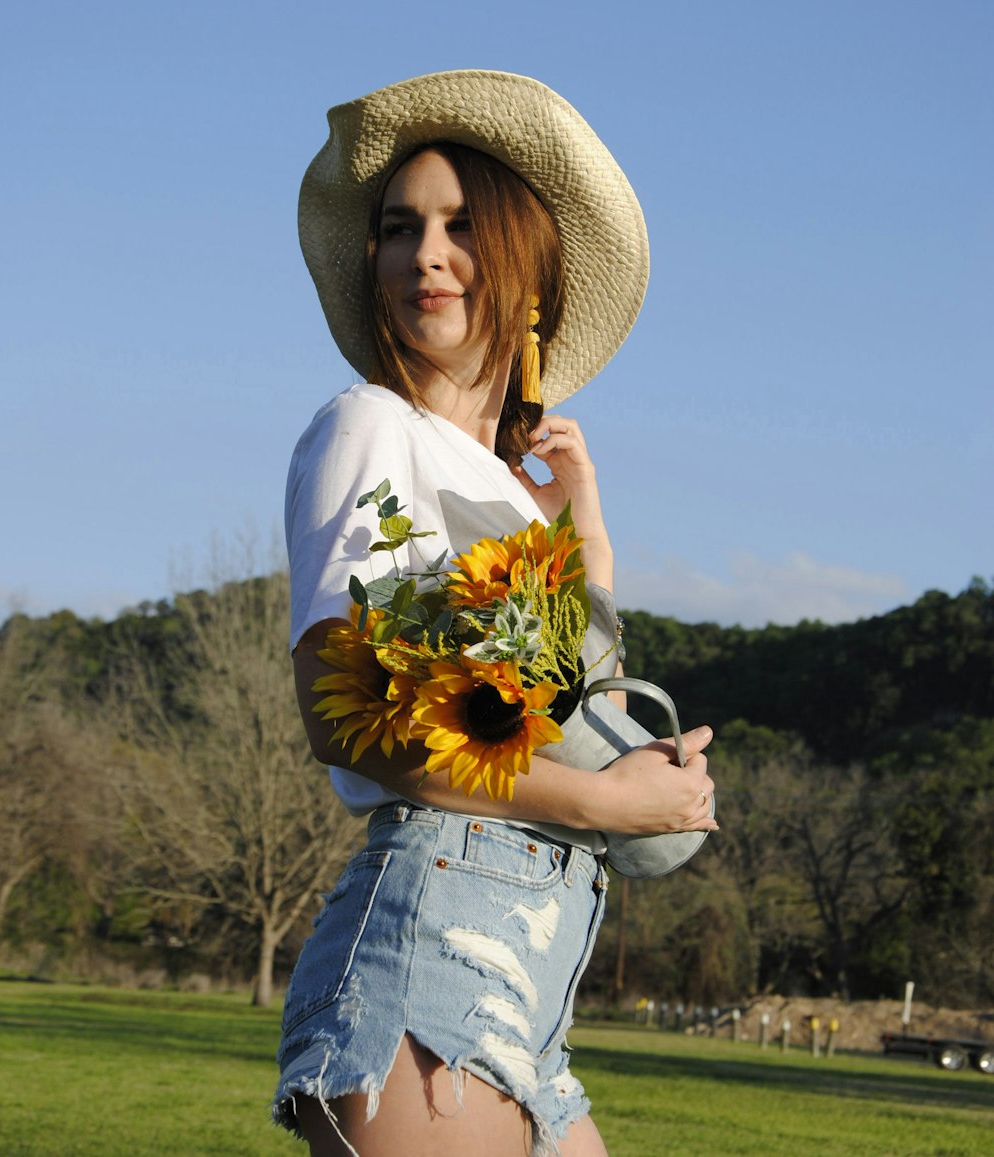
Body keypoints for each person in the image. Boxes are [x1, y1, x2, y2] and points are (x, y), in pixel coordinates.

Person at [273, 71, 717, 1157]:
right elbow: (352, 724)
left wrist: (581, 528)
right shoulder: (369, 429)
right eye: (398, 227)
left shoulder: (504, 493)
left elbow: (561, 698)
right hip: (429, 956)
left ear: (531, 273)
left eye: (462, 225)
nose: (423, 252)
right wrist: (606, 806)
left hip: (532, 985)